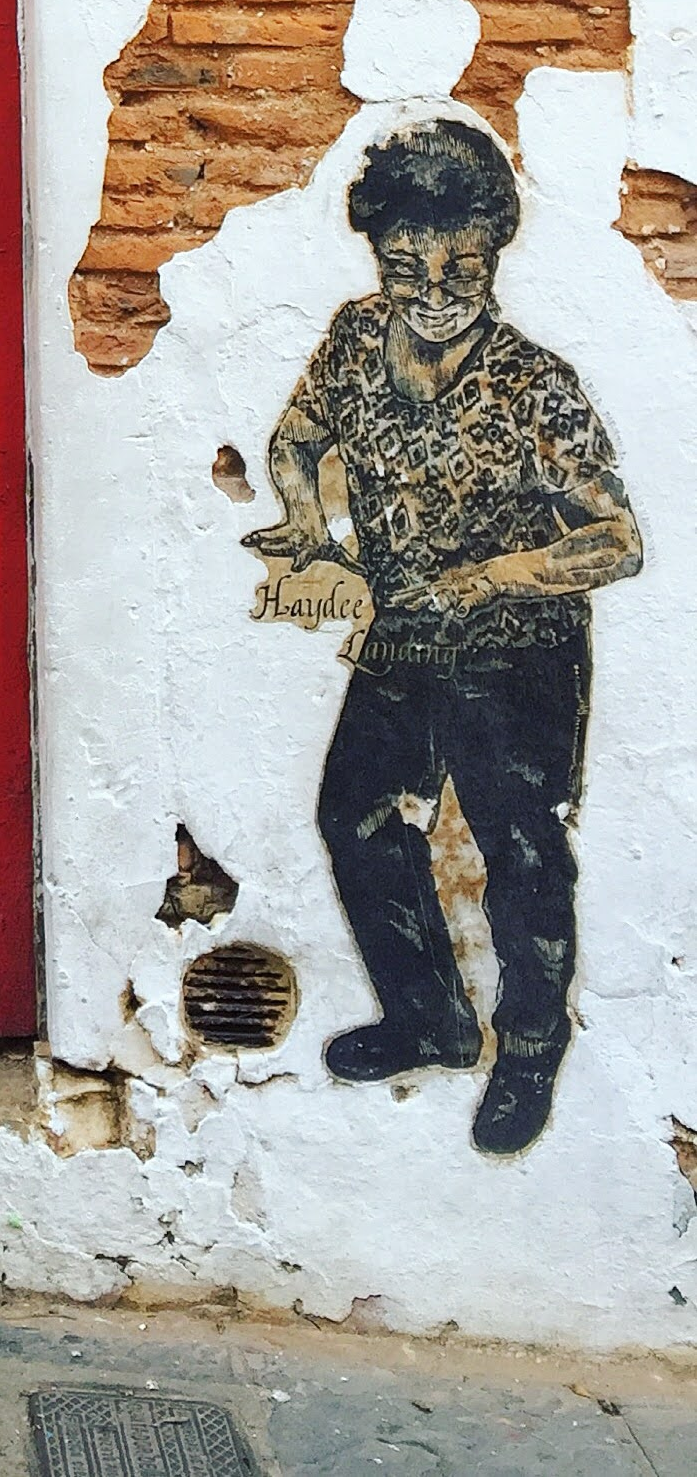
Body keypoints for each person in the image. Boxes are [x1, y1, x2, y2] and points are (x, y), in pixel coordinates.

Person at [248, 119, 641, 1156]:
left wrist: (482, 579)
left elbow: (615, 539)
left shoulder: (534, 384)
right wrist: (303, 517)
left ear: (493, 249)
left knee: (518, 849)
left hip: (520, 647)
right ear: (375, 259)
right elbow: (294, 437)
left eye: (459, 263)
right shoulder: (348, 337)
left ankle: (526, 1047)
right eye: (403, 264)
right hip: (403, 636)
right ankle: (428, 1018)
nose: (431, 287)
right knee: (355, 816)